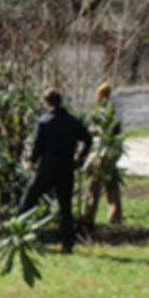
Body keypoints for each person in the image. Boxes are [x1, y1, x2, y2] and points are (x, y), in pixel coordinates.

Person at [19, 88, 93, 254]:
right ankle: (68, 244)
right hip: (66, 168)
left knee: (29, 198)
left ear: (46, 103)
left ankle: (18, 232)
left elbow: (38, 145)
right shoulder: (73, 121)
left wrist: (31, 160)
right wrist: (80, 156)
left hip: (47, 168)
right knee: (65, 207)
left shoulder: (44, 121)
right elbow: (88, 139)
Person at [83, 83, 124, 228]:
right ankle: (115, 216)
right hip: (114, 149)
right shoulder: (116, 106)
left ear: (103, 95)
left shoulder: (109, 109)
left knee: (95, 183)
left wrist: (91, 131)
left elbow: (106, 128)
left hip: (106, 149)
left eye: (98, 95)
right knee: (111, 182)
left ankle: (88, 217)